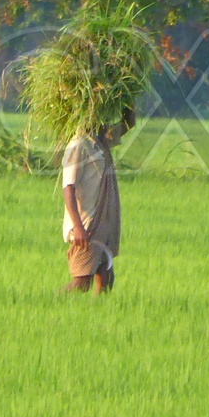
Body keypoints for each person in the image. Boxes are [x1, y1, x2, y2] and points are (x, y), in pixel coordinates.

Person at [60, 109, 133, 295]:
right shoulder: (78, 145)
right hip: (87, 225)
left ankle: (100, 317)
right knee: (81, 283)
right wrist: (78, 228)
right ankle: (47, 305)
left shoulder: (102, 141)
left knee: (106, 279)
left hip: (104, 224)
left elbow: (129, 123)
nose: (105, 120)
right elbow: (68, 187)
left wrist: (130, 93)